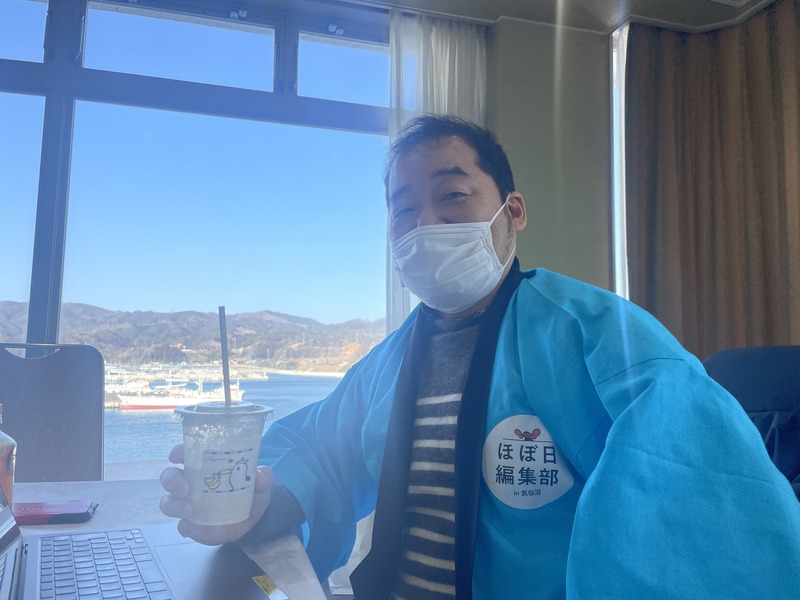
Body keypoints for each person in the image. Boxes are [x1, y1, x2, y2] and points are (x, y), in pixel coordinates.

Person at [160, 115, 800, 599]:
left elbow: (694, 498)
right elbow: (315, 459)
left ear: (511, 212)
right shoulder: (386, 364)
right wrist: (254, 502)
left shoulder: (599, 336)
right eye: (403, 209)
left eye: (452, 196)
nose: (425, 223)